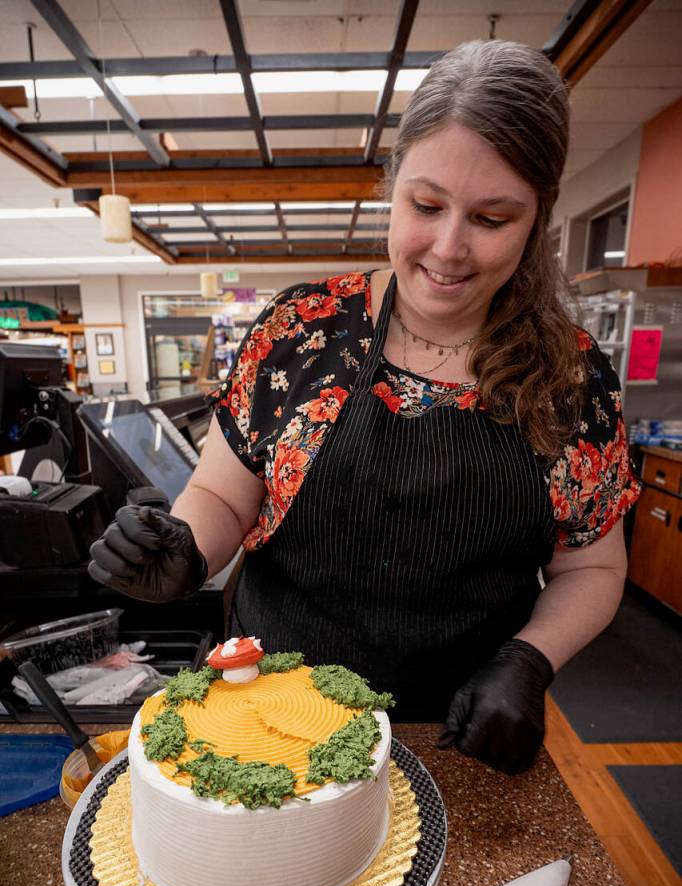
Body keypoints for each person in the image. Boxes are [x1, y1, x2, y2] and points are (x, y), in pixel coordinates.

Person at [88, 40, 641, 774]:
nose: (448, 247)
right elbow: (224, 493)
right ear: (394, 185)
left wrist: (530, 659)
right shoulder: (300, 331)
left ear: (537, 218)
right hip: (270, 722)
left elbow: (592, 568)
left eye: (491, 218)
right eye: (426, 206)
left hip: (458, 732)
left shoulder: (569, 377)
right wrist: (185, 548)